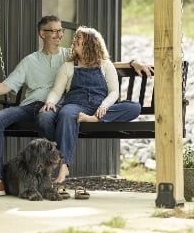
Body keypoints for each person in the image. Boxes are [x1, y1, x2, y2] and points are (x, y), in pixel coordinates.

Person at [0, 15, 152, 196]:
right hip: (32, 106)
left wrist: (131, 62)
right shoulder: (31, 61)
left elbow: (97, 60)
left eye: (60, 31)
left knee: (46, 117)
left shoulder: (68, 55)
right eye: (53, 31)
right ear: (42, 34)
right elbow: (7, 85)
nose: (59, 35)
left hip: (55, 108)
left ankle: (50, 168)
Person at [39, 26, 142, 185]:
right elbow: (56, 91)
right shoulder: (68, 66)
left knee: (135, 107)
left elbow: (114, 92)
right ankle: (64, 165)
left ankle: (93, 119)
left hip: (99, 108)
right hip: (76, 105)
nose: (75, 42)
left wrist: (104, 106)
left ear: (90, 43)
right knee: (66, 113)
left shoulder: (105, 65)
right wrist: (50, 102)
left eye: (79, 39)